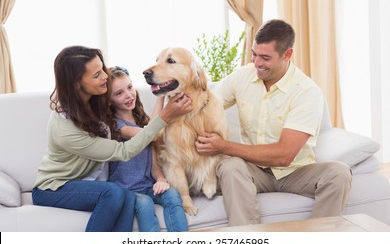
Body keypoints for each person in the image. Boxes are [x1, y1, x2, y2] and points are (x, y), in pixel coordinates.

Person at [195, 19, 352, 226]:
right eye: (254, 54)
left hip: (295, 171)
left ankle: (318, 241)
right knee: (231, 166)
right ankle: (248, 241)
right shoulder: (242, 77)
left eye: (265, 57)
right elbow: (205, 106)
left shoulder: (307, 92)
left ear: (287, 55)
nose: (257, 63)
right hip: (252, 170)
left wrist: (223, 146)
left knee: (339, 173)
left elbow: (284, 156)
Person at [32, 46, 192, 232]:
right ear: (77, 83)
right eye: (97, 75)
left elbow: (146, 132)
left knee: (125, 196)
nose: (105, 77)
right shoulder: (65, 128)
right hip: (54, 187)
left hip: (90, 184)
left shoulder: (94, 101)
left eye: (103, 69)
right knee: (114, 192)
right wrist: (166, 115)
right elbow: (123, 151)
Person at [108, 66, 188, 232]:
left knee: (172, 194)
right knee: (144, 203)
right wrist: (166, 111)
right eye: (119, 93)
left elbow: (153, 161)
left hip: (148, 186)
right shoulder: (117, 126)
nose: (129, 95)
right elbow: (151, 133)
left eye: (130, 87)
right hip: (126, 190)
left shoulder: (142, 121)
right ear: (109, 100)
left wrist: (160, 179)